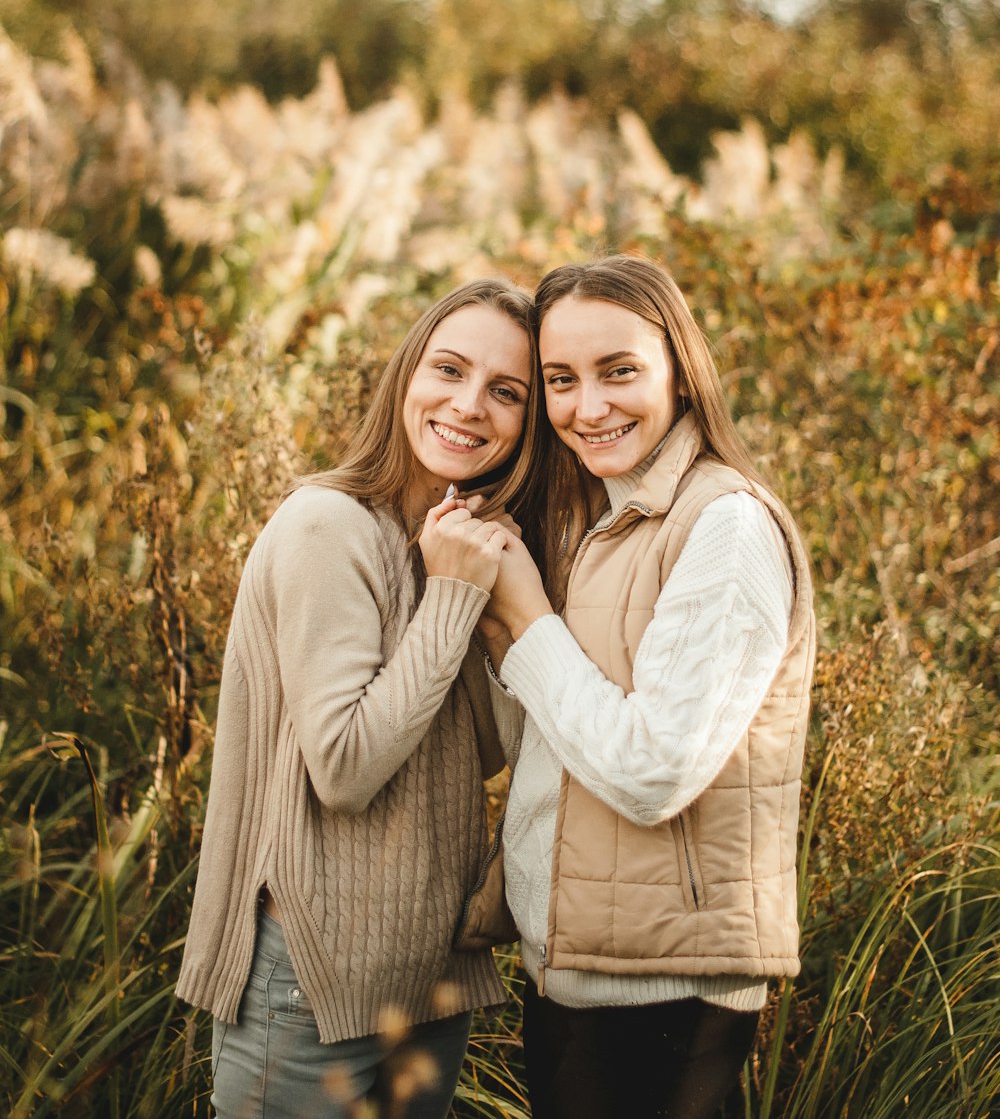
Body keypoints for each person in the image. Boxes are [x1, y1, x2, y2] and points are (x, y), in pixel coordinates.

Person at [176, 278, 545, 1119]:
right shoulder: (328, 527)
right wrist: (453, 600)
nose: (469, 405)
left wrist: (493, 611)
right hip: (312, 974)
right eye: (448, 370)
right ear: (406, 375)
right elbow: (342, 767)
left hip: (429, 970)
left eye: (506, 392)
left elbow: (479, 752)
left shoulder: (451, 543)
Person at [479, 255, 816, 1119]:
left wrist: (527, 623)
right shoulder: (610, 523)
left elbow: (654, 770)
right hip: (583, 970)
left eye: (619, 371)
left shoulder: (725, 526)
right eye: (561, 380)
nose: (588, 408)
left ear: (681, 370)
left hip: (662, 991)